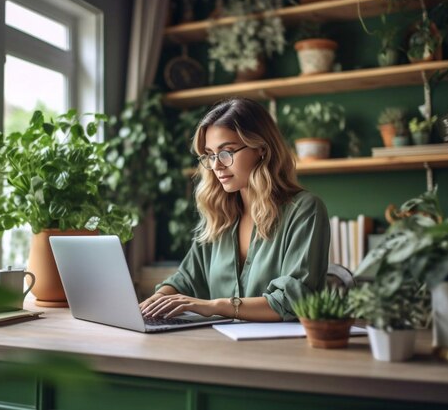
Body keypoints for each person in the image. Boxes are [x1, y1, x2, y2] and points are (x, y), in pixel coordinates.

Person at [140, 98, 330, 322]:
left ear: (261, 149)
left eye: (226, 152)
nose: (216, 165)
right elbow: (187, 279)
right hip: (220, 345)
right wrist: (155, 301)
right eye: (210, 155)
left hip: (281, 351)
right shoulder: (218, 213)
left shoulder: (305, 210)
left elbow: (294, 299)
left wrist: (217, 306)